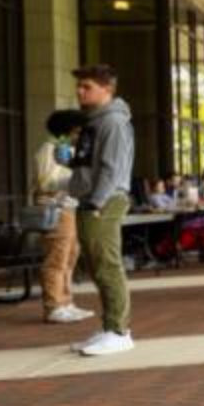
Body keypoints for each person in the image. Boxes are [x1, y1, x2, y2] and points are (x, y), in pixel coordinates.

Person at [67, 64, 136, 356]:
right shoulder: (94, 122)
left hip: (103, 201)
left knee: (107, 265)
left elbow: (112, 167)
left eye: (87, 87)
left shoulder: (113, 122)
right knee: (97, 266)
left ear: (107, 89)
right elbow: (88, 166)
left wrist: (97, 201)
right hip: (91, 200)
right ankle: (110, 327)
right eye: (79, 86)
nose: (80, 91)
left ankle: (119, 331)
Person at [34, 109, 91, 325]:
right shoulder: (49, 149)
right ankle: (53, 306)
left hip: (69, 208)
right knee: (56, 259)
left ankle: (65, 302)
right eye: (77, 130)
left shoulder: (65, 149)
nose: (80, 134)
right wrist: (76, 182)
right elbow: (45, 183)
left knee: (69, 257)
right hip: (55, 208)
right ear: (68, 129)